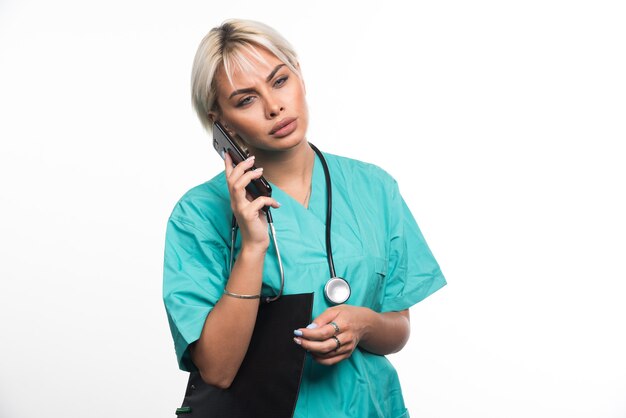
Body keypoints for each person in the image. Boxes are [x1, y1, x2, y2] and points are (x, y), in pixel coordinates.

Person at [163, 18, 446, 418]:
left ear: (298, 73)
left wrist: (363, 324)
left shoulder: (374, 188)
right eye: (246, 100)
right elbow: (217, 369)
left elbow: (397, 328)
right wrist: (253, 247)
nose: (274, 107)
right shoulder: (197, 215)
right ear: (221, 123)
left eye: (279, 81)